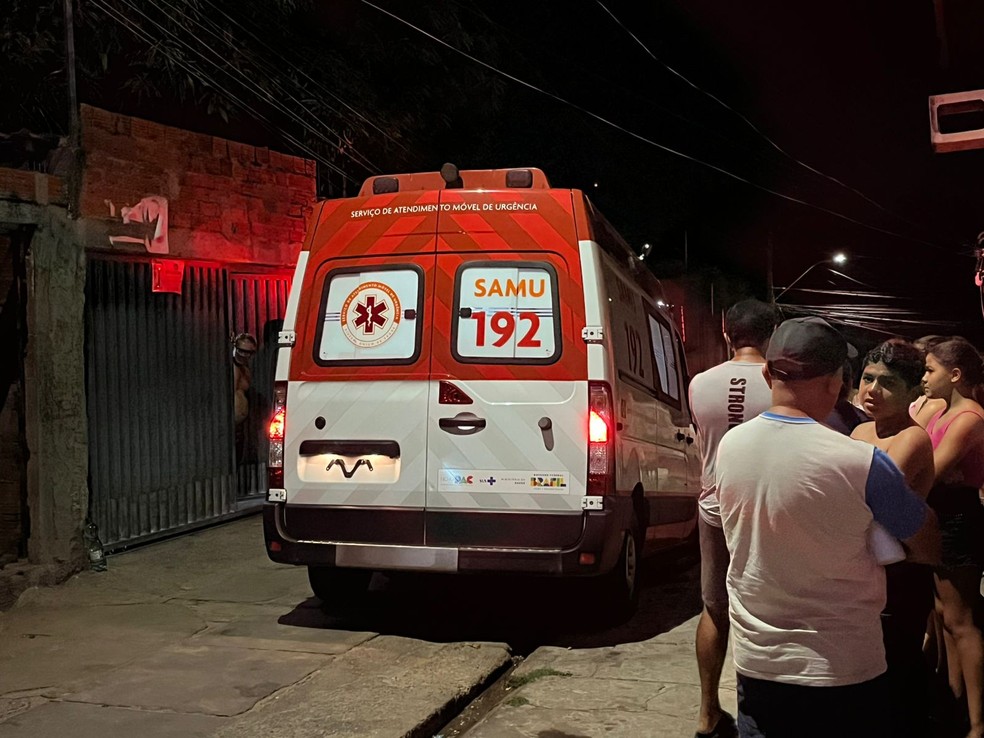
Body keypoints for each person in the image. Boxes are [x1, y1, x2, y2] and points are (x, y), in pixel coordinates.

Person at [714, 316, 940, 738]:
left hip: (759, 664)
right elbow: (925, 543)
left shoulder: (729, 447)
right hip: (843, 668)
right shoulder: (860, 460)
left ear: (767, 373)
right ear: (838, 381)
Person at [689, 299, 775, 738]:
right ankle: (759, 709)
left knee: (714, 608)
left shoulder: (700, 383)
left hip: (713, 506)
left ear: (726, 333)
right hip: (763, 507)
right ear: (770, 335)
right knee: (763, 607)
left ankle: (707, 712)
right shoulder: (777, 383)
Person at [850, 339, 935, 738]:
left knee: (896, 670)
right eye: (868, 378)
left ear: (913, 393)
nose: (872, 390)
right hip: (862, 567)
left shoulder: (913, 439)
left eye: (887, 383)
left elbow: (872, 497)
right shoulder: (860, 430)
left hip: (901, 574)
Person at [922, 337, 984, 738]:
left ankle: (977, 723)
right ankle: (956, 705)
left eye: (930, 370)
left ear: (955, 375)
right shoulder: (941, 411)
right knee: (944, 615)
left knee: (963, 621)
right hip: (940, 515)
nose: (924, 377)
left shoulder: (969, 419)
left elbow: (929, 469)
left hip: (959, 519)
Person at [232, 332, 257, 462]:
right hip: (229, 427)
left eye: (249, 353)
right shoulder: (229, 366)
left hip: (240, 427)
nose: (245, 355)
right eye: (242, 351)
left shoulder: (246, 370)